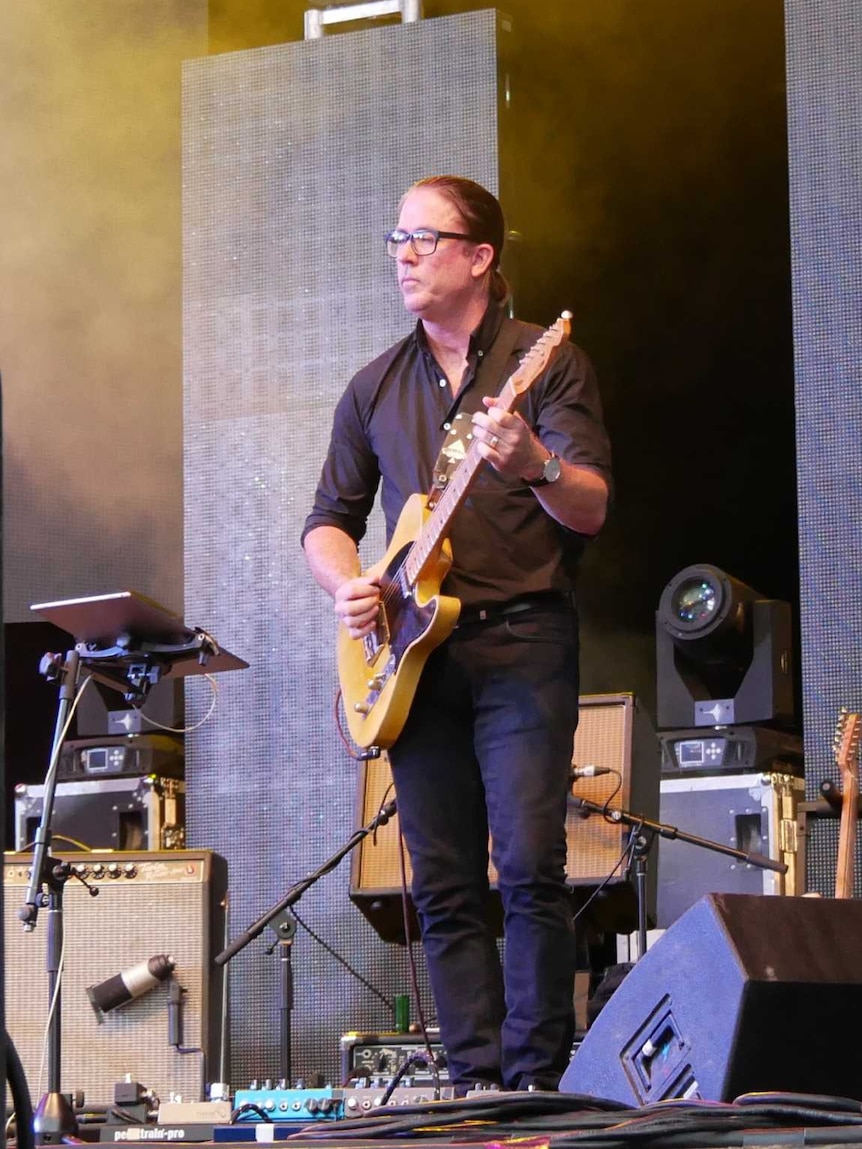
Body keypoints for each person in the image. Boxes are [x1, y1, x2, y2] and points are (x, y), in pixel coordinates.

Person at [302, 175, 611, 1094]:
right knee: (439, 880)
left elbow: (589, 508)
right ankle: (475, 1084)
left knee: (528, 865)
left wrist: (538, 461)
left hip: (523, 643)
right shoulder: (373, 387)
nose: (404, 253)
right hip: (411, 658)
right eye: (397, 237)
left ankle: (535, 1079)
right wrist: (348, 583)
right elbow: (327, 518)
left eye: (424, 239)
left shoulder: (546, 361)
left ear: (481, 257)